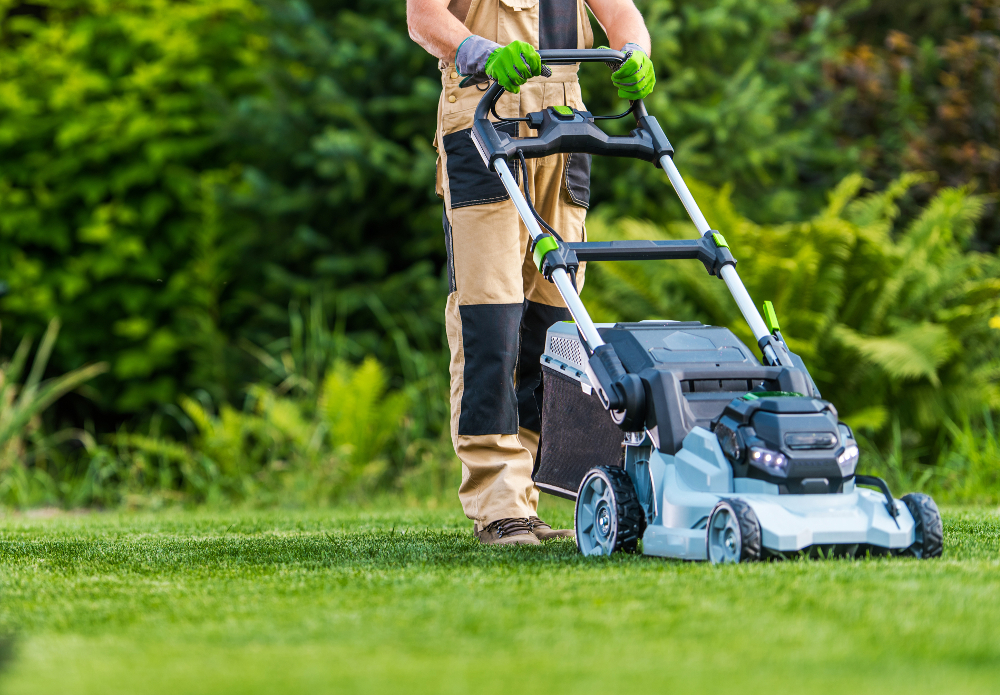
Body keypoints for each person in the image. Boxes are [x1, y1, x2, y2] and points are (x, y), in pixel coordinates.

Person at [407, 0, 655, 545]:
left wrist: (636, 52)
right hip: (482, 120)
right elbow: (422, 17)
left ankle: (529, 496)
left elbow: (623, 16)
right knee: (489, 319)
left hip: (563, 131)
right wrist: (482, 53)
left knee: (554, 325)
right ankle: (498, 502)